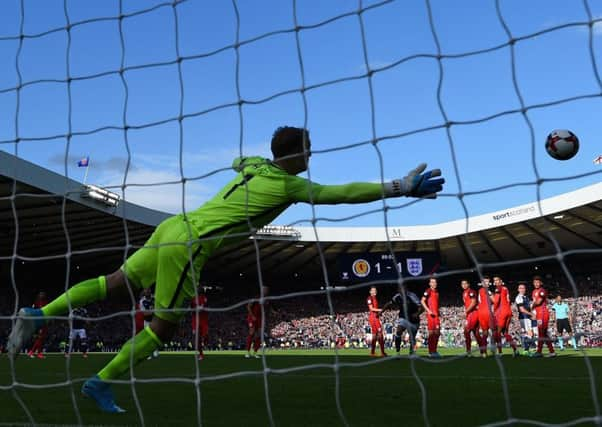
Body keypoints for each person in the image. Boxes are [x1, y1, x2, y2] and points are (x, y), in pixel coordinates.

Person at [7, 126, 445, 413]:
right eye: (308, 150)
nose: (312, 156)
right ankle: (100, 382)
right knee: (164, 328)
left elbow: (242, 162)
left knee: (116, 282)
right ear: (295, 155)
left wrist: (251, 162)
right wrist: (398, 187)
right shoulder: (291, 183)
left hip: (172, 225)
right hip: (191, 243)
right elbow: (339, 193)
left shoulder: (255, 165)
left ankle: (39, 315)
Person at [382, 288, 423, 356]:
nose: (400, 290)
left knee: (412, 337)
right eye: (399, 289)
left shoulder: (412, 296)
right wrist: (381, 311)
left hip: (414, 320)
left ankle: (411, 352)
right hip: (403, 318)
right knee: (398, 331)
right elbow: (389, 303)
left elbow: (421, 307)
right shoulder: (397, 297)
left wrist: (417, 314)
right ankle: (397, 352)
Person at [491, 276, 518, 356]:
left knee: (497, 332)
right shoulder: (505, 288)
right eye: (494, 280)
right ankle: (515, 350)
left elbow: (496, 301)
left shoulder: (498, 289)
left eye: (497, 280)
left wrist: (494, 311)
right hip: (508, 311)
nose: (496, 282)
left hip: (502, 312)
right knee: (505, 333)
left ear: (501, 281)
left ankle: (500, 352)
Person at [531, 276, 555, 358]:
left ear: (541, 283)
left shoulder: (542, 291)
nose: (536, 284)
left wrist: (531, 306)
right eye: (535, 282)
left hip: (543, 313)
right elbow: (535, 303)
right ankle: (552, 351)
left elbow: (538, 302)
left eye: (538, 282)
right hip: (538, 314)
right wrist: (534, 311)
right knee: (543, 334)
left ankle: (539, 351)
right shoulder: (534, 291)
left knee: (541, 333)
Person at [245, 286, 269, 359]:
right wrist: (252, 316)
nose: (266, 291)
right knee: (251, 333)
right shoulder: (255, 298)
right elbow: (248, 306)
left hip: (260, 319)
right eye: (265, 289)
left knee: (259, 335)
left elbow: (265, 309)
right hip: (252, 318)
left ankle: (255, 352)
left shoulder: (266, 300)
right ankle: (247, 352)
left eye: (267, 290)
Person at [460, 280, 481, 357]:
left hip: (473, 313)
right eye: (462, 284)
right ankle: (483, 351)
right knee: (476, 333)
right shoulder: (464, 293)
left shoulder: (471, 291)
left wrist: (466, 311)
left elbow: (474, 302)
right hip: (470, 314)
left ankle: (468, 351)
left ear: (468, 284)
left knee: (466, 331)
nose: (464, 285)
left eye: (465, 283)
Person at [421, 277, 441, 358]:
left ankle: (434, 351)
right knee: (431, 333)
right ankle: (430, 352)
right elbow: (422, 301)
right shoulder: (428, 291)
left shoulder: (437, 292)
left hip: (436, 315)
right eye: (432, 282)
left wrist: (438, 312)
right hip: (431, 315)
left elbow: (436, 304)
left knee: (437, 333)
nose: (434, 284)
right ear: (429, 284)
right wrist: (429, 311)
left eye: (435, 282)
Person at [514, 282, 535, 354]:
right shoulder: (519, 297)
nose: (522, 289)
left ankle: (527, 349)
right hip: (524, 317)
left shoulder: (526, 297)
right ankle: (527, 349)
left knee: (529, 333)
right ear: (518, 289)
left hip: (527, 317)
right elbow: (522, 309)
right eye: (520, 288)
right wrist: (531, 314)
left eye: (523, 288)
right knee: (529, 333)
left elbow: (529, 307)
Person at [476, 276, 494, 357]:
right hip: (487, 313)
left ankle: (484, 352)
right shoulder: (488, 291)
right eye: (485, 281)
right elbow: (494, 300)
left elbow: (479, 302)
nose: (486, 283)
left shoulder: (479, 291)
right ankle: (493, 349)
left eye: (487, 281)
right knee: (494, 331)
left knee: (485, 333)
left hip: (481, 313)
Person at [27, 292, 48, 359]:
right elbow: (32, 311)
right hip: (39, 321)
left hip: (44, 321)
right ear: (38, 295)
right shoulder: (36, 302)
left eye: (43, 294)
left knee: (41, 338)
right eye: (40, 294)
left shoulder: (45, 302)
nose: (42, 295)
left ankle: (35, 352)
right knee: (40, 337)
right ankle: (35, 352)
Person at [367, 286, 386, 357]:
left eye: (375, 290)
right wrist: (380, 310)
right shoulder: (369, 298)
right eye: (373, 290)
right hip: (373, 318)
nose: (374, 292)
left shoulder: (375, 298)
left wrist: (379, 313)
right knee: (380, 334)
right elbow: (371, 308)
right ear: (370, 292)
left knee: (375, 336)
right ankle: (382, 353)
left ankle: (372, 352)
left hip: (375, 317)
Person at [191, 287, 209, 361]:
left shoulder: (204, 298)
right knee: (197, 338)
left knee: (205, 335)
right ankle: (201, 354)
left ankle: (205, 342)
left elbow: (202, 307)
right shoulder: (193, 298)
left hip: (203, 321)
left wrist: (198, 308)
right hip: (195, 321)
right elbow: (191, 309)